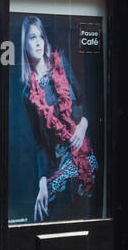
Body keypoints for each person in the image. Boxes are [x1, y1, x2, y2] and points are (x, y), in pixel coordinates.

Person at [21, 16, 98, 221]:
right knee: (50, 212)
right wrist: (42, 182)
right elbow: (39, 144)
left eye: (41, 36)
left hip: (83, 152)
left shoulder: (60, 63)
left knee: (86, 212)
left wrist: (83, 125)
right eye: (32, 37)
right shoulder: (27, 93)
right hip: (58, 163)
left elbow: (83, 101)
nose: (38, 42)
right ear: (25, 44)